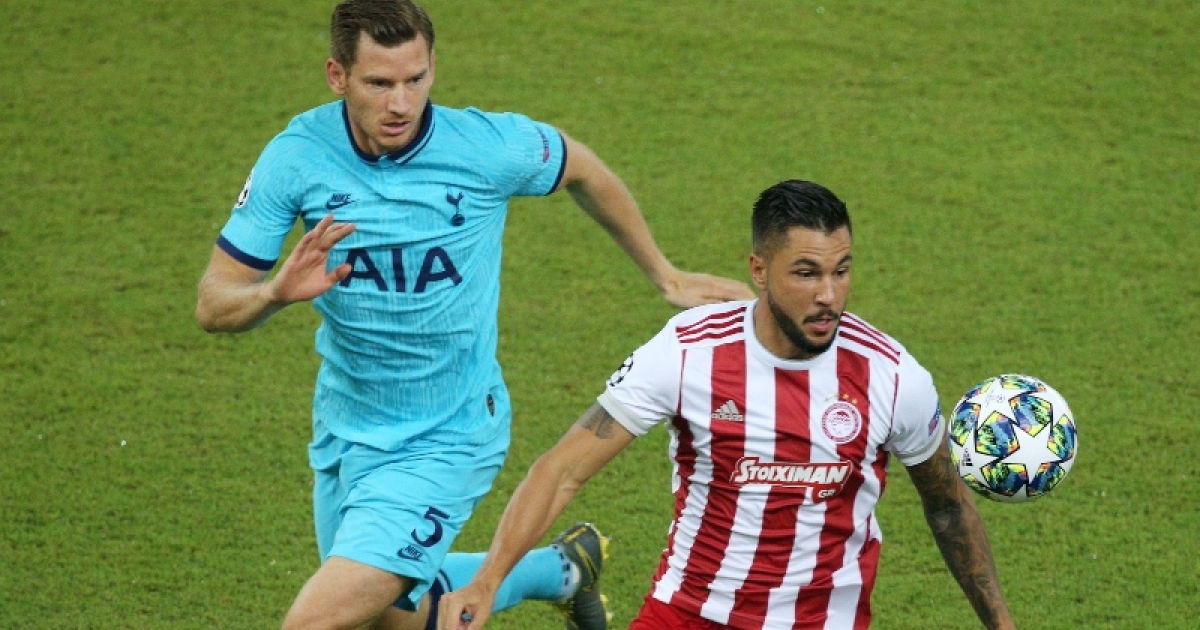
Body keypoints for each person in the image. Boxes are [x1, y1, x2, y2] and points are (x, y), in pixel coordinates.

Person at [193, 0, 755, 629]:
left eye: (415, 79)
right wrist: (272, 294)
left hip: (449, 435)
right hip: (346, 428)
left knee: (313, 621)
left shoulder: (486, 147)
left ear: (433, 66)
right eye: (379, 83)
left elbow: (584, 169)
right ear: (337, 76)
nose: (401, 103)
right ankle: (561, 570)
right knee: (388, 621)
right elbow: (214, 304)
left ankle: (548, 570)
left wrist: (665, 274)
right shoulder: (296, 157)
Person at [438, 180, 1019, 630]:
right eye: (806, 273)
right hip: (687, 612)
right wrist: (488, 582)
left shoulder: (891, 376)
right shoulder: (689, 352)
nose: (828, 295)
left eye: (841, 271)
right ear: (758, 270)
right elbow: (562, 470)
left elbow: (948, 506)